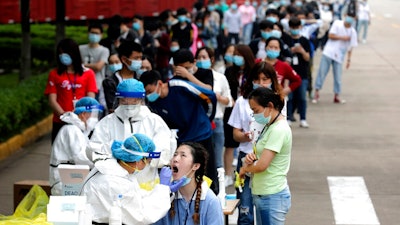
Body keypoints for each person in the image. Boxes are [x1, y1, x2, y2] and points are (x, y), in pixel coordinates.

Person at [139, 70, 219, 194]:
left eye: (150, 91)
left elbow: (209, 96)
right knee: (186, 176)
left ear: (160, 83)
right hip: (183, 139)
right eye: (146, 93)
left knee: (208, 173)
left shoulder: (178, 86)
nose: (149, 95)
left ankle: (213, 197)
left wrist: (207, 118)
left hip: (202, 133)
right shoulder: (153, 103)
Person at [81, 134, 184, 224]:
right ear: (139, 161)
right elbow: (141, 216)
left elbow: (136, 197)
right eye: (148, 161)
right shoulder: (114, 181)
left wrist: (166, 191)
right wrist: (162, 189)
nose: (147, 165)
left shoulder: (116, 168)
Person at [229, 61, 283, 225]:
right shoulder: (241, 102)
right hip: (246, 156)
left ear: (272, 80)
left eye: (265, 79)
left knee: (264, 208)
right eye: (257, 79)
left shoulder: (279, 102)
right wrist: (244, 136)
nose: (261, 83)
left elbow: (280, 130)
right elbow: (235, 134)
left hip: (266, 158)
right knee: (245, 209)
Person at [89, 78, 174, 168]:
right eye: (124, 101)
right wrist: (109, 150)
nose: (129, 105)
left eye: (134, 101)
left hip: (145, 178)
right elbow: (93, 149)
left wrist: (147, 157)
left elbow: (165, 150)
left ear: (141, 100)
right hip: (114, 177)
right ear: (118, 100)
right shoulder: (107, 122)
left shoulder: (154, 121)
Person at [239, 87, 292, 225]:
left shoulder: (279, 129)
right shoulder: (270, 126)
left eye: (256, 111)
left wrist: (245, 169)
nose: (254, 115)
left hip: (272, 195)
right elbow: (261, 156)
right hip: (264, 193)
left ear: (269, 106)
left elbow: (262, 165)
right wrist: (252, 158)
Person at [154, 142, 224, 225]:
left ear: (195, 166)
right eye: (175, 155)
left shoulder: (210, 201)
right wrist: (162, 192)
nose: (175, 159)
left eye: (183, 155)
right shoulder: (165, 196)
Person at [44, 38, 98, 144]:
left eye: (66, 53)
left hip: (82, 121)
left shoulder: (88, 74)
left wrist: (82, 116)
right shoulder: (54, 74)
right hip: (60, 121)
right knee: (60, 157)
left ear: (74, 53)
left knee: (82, 155)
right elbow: (52, 100)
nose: (63, 56)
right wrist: (65, 116)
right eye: (60, 54)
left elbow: (90, 97)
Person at [49, 97, 103, 195]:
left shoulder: (79, 131)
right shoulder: (71, 130)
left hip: (70, 179)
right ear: (83, 114)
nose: (96, 118)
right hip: (64, 182)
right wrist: (103, 160)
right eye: (94, 114)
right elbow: (81, 157)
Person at [195, 46, 233, 186]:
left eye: (204, 57)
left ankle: (219, 186)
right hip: (199, 122)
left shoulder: (220, 78)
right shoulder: (193, 78)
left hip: (216, 120)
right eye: (198, 58)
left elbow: (228, 100)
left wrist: (216, 97)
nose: (201, 60)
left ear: (211, 59)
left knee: (217, 157)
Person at [223, 44, 255, 187]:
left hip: (248, 108)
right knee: (230, 143)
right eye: (234, 54)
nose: (236, 57)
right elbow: (226, 89)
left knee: (248, 140)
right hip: (231, 108)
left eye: (239, 55)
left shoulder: (253, 72)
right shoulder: (229, 71)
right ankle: (228, 174)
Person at [312, 13, 357, 104]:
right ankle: (316, 93)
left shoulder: (352, 32)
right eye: (349, 17)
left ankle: (337, 95)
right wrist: (342, 37)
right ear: (345, 16)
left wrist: (348, 60)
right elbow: (330, 35)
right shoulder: (337, 23)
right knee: (322, 73)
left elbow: (351, 47)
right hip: (328, 53)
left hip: (339, 56)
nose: (349, 20)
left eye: (352, 18)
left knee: (338, 77)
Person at [264, 37, 302, 117]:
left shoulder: (283, 66)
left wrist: (285, 91)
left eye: (276, 48)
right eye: (271, 47)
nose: (273, 49)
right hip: (260, 101)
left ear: (280, 50)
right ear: (266, 47)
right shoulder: (258, 63)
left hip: (277, 103)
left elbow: (297, 80)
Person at [102, 41, 143, 112]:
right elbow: (112, 106)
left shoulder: (141, 79)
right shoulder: (110, 82)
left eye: (140, 58)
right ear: (124, 59)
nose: (139, 61)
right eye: (136, 58)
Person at [285, 17, 311, 128]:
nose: (295, 29)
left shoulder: (304, 40)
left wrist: (301, 51)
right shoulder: (286, 40)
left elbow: (308, 58)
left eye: (297, 27)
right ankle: (288, 117)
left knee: (302, 97)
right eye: (292, 27)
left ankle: (303, 118)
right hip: (289, 75)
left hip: (302, 73)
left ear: (300, 27)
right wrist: (290, 51)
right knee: (289, 97)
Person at [79, 22, 110, 100]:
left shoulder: (104, 50)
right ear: (88, 33)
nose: (94, 35)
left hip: (97, 85)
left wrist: (82, 65)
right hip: (81, 85)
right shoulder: (80, 49)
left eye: (97, 33)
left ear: (101, 35)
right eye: (92, 33)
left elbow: (98, 67)